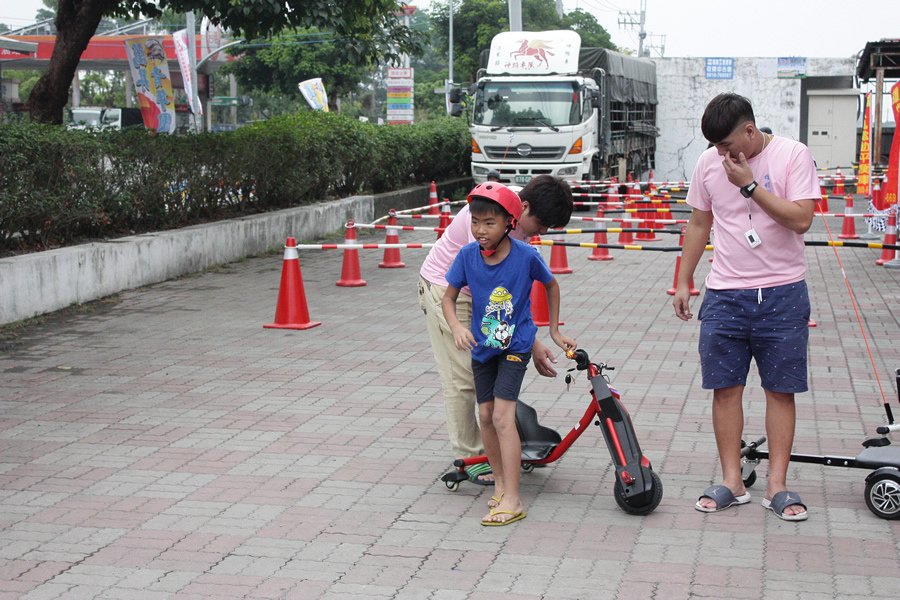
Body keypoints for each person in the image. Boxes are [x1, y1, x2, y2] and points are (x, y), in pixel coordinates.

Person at [673, 93, 819, 521]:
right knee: (725, 388)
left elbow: (801, 219)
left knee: (780, 389)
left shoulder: (793, 155)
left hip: (783, 292)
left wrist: (750, 186)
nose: (720, 154)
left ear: (750, 131)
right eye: (714, 147)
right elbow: (700, 222)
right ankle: (731, 481)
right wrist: (683, 279)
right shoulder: (708, 164)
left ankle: (777, 485)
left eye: (725, 144)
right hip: (725, 294)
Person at [417, 175, 573, 485]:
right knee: (463, 379)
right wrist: (530, 341)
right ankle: (471, 456)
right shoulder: (491, 218)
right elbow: (496, 289)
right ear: (523, 208)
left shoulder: (517, 222)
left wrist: (532, 340)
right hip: (447, 291)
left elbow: (512, 291)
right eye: (541, 224)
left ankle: (505, 445)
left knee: (494, 373)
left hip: (484, 296)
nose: (541, 232)